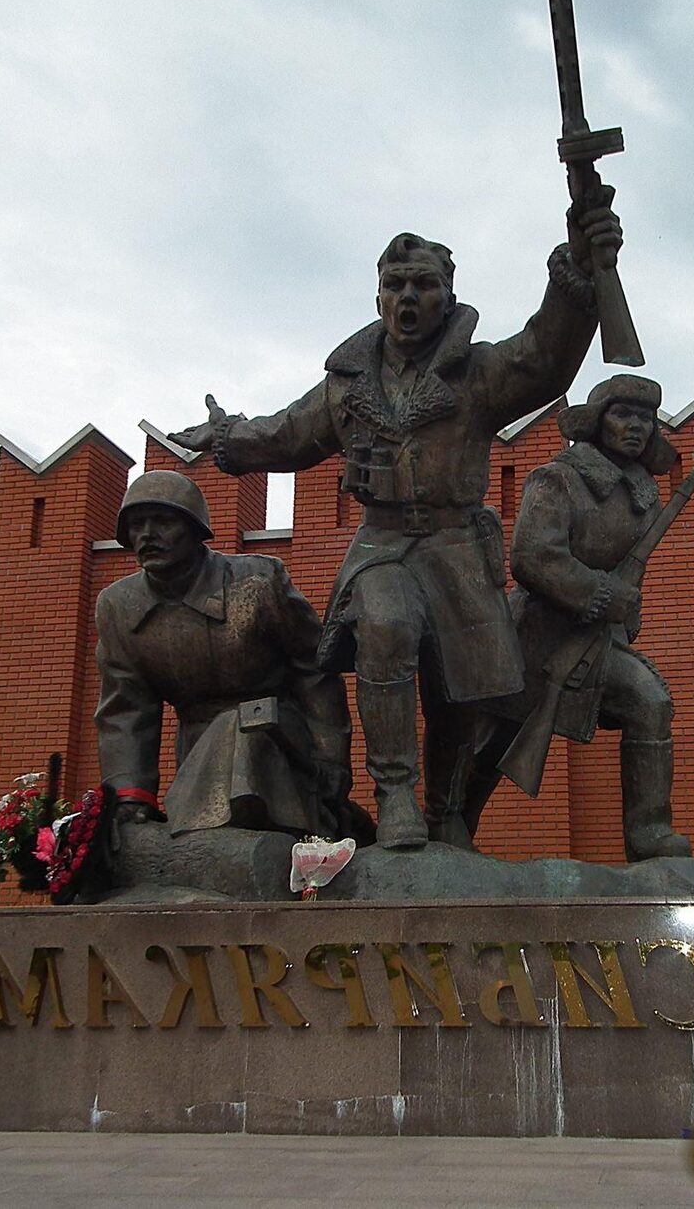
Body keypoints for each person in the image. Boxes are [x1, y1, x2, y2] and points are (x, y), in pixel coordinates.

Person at [169, 196, 624, 848]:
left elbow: (545, 359)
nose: (408, 297)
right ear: (378, 295)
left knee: (460, 693)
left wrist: (578, 271)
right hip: (383, 545)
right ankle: (395, 795)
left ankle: (445, 808)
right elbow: (290, 434)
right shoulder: (348, 382)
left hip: (457, 546)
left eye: (424, 285)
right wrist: (230, 438)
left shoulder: (479, 373)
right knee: (385, 625)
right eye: (395, 284)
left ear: (448, 294)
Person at [461, 373, 691, 861]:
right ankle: (451, 827)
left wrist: (625, 618)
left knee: (648, 700)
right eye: (622, 414)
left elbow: (632, 569)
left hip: (596, 641)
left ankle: (649, 835)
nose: (635, 426)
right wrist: (607, 595)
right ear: (597, 421)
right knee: (486, 746)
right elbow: (533, 556)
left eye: (646, 418)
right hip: (532, 640)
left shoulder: (643, 495)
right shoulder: (558, 478)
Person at [95, 470, 368, 842]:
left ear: (195, 530)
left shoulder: (256, 581)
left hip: (278, 735)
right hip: (197, 749)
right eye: (136, 524)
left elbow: (315, 669)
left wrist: (330, 759)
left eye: (163, 521)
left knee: (237, 729)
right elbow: (126, 708)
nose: (147, 534)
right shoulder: (119, 606)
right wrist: (129, 797)